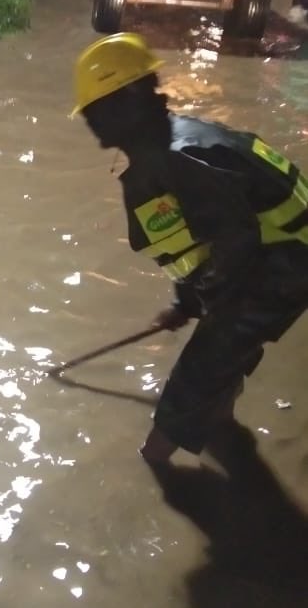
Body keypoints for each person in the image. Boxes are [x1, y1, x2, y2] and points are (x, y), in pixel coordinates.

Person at [73, 32, 308, 464]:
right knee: (224, 347)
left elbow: (236, 241)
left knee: (196, 375)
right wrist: (186, 301)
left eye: (93, 109)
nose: (88, 120)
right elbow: (202, 238)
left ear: (125, 101)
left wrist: (209, 306)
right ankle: (220, 421)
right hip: (280, 257)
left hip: (285, 264)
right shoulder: (171, 144)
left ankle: (152, 468)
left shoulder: (179, 158)